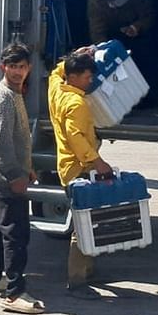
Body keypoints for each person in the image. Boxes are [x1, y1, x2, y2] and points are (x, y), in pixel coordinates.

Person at [48, 48, 115, 300]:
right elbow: (76, 138)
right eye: (87, 77)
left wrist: (74, 55)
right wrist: (98, 162)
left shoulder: (56, 89)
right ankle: (77, 280)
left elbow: (56, 71)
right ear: (75, 77)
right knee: (83, 226)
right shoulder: (76, 104)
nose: (90, 81)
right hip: (79, 169)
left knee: (87, 222)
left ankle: (86, 270)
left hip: (66, 166)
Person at [0, 43, 44, 313]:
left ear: (29, 68)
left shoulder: (14, 92)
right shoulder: (3, 97)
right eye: (12, 67)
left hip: (11, 174)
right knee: (16, 235)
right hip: (6, 178)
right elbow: (2, 145)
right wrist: (15, 175)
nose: (18, 72)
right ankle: (14, 293)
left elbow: (17, 140)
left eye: (22, 67)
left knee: (1, 227)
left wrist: (26, 166)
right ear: (2, 67)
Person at [86, 0, 155, 44]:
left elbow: (149, 14)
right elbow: (97, 32)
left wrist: (136, 27)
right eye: (115, 1)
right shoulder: (95, 4)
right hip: (112, 36)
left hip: (139, 33)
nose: (120, 4)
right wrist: (104, 49)